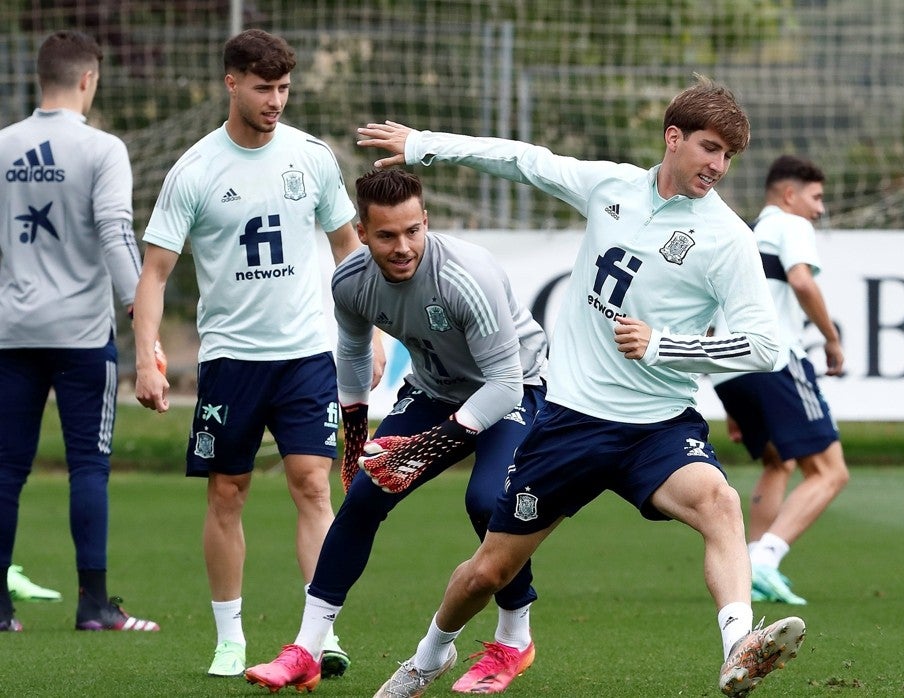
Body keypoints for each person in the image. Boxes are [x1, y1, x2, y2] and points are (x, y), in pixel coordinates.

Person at [356, 75, 806, 698]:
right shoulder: (611, 186)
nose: (719, 166)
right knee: (489, 571)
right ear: (673, 139)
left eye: (728, 156)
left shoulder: (729, 239)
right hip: (570, 423)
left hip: (658, 427)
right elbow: (526, 161)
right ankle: (428, 657)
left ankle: (738, 649)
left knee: (721, 504)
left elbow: (764, 346)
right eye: (709, 148)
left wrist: (665, 345)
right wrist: (425, 144)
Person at [244, 168, 550, 694]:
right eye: (386, 235)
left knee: (485, 501)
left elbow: (503, 383)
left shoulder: (465, 277)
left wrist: (428, 446)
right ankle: (307, 649)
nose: (403, 246)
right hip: (435, 391)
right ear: (361, 233)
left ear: (425, 221)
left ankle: (514, 636)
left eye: (413, 231)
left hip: (514, 388)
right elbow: (354, 351)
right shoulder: (350, 282)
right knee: (364, 495)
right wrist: (356, 435)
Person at [132, 29, 360, 676]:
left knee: (313, 483)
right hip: (231, 361)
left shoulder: (311, 157)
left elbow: (349, 249)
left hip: (306, 354)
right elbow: (153, 275)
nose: (276, 100)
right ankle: (229, 637)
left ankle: (320, 634)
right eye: (264, 88)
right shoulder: (195, 171)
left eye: (284, 88)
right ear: (231, 83)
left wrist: (366, 333)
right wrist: (147, 353)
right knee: (227, 493)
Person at [0, 30, 157, 634]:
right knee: (88, 468)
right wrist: (140, 313)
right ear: (88, 79)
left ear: (42, 79)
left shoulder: (6, 144)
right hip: (83, 335)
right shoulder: (102, 149)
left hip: (13, 333)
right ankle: (93, 606)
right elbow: (117, 231)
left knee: (6, 469)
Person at [710, 155, 849, 606]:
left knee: (778, 463)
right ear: (789, 195)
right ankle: (766, 558)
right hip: (775, 359)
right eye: (816, 197)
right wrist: (830, 339)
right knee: (830, 472)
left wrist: (733, 403)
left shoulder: (744, 234)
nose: (820, 209)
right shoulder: (791, 225)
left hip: (729, 367)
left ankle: (748, 568)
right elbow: (802, 282)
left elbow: (715, 313)